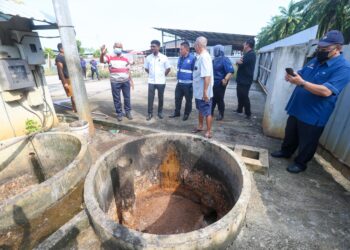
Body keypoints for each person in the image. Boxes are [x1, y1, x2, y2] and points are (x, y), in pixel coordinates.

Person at [271, 30, 350, 174]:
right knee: (291, 133)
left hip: (314, 113)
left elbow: (326, 91)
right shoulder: (316, 60)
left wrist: (301, 83)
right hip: (297, 107)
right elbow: (302, 73)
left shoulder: (343, 68)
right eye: (319, 48)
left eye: (325, 49)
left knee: (308, 141)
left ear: (338, 48)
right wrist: (293, 75)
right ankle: (286, 151)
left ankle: (301, 163)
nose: (320, 51)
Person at [100, 42, 134, 121]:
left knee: (127, 97)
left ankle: (128, 112)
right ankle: (119, 113)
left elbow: (128, 69)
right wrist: (102, 54)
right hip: (115, 81)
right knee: (116, 98)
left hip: (125, 81)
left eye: (120, 47)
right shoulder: (109, 56)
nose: (118, 48)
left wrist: (131, 81)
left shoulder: (126, 57)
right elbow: (102, 61)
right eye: (116, 47)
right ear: (113, 47)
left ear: (122, 48)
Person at [192, 36, 214, 138]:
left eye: (195, 44)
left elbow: (207, 76)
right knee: (201, 110)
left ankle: (209, 131)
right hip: (199, 91)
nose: (194, 46)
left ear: (198, 45)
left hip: (203, 92)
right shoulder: (200, 56)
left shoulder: (204, 57)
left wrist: (205, 92)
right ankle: (200, 126)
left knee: (207, 112)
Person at [144, 40, 171, 120]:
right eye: (151, 46)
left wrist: (163, 75)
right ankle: (150, 113)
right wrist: (151, 74)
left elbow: (168, 68)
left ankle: (160, 112)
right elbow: (146, 68)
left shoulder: (164, 57)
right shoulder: (148, 58)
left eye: (154, 46)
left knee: (160, 97)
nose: (152, 48)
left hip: (161, 82)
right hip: (151, 81)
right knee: (150, 98)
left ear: (158, 47)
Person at [169, 41, 196, 121]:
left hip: (188, 84)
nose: (179, 51)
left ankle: (186, 114)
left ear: (186, 49)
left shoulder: (193, 58)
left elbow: (195, 71)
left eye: (181, 49)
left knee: (188, 100)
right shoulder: (180, 58)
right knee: (177, 98)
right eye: (179, 49)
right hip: (179, 83)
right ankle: (177, 112)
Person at [212, 44, 234, 120]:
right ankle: (210, 112)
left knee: (219, 98)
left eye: (216, 50)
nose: (214, 51)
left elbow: (230, 71)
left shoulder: (225, 59)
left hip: (220, 83)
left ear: (220, 51)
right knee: (213, 98)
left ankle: (221, 114)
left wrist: (225, 79)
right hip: (212, 82)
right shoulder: (214, 60)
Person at [235, 38, 256, 119]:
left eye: (244, 44)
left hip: (245, 80)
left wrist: (238, 62)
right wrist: (238, 62)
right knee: (239, 95)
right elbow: (239, 63)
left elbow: (241, 64)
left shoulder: (251, 54)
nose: (243, 45)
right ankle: (239, 109)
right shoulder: (247, 54)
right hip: (241, 79)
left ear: (247, 45)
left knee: (244, 96)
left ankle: (248, 113)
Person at [55, 43, 76, 112]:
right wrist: (65, 83)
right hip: (67, 79)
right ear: (61, 49)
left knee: (75, 95)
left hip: (72, 78)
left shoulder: (66, 56)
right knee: (73, 95)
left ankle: (74, 108)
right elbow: (60, 71)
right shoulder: (59, 58)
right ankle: (75, 109)